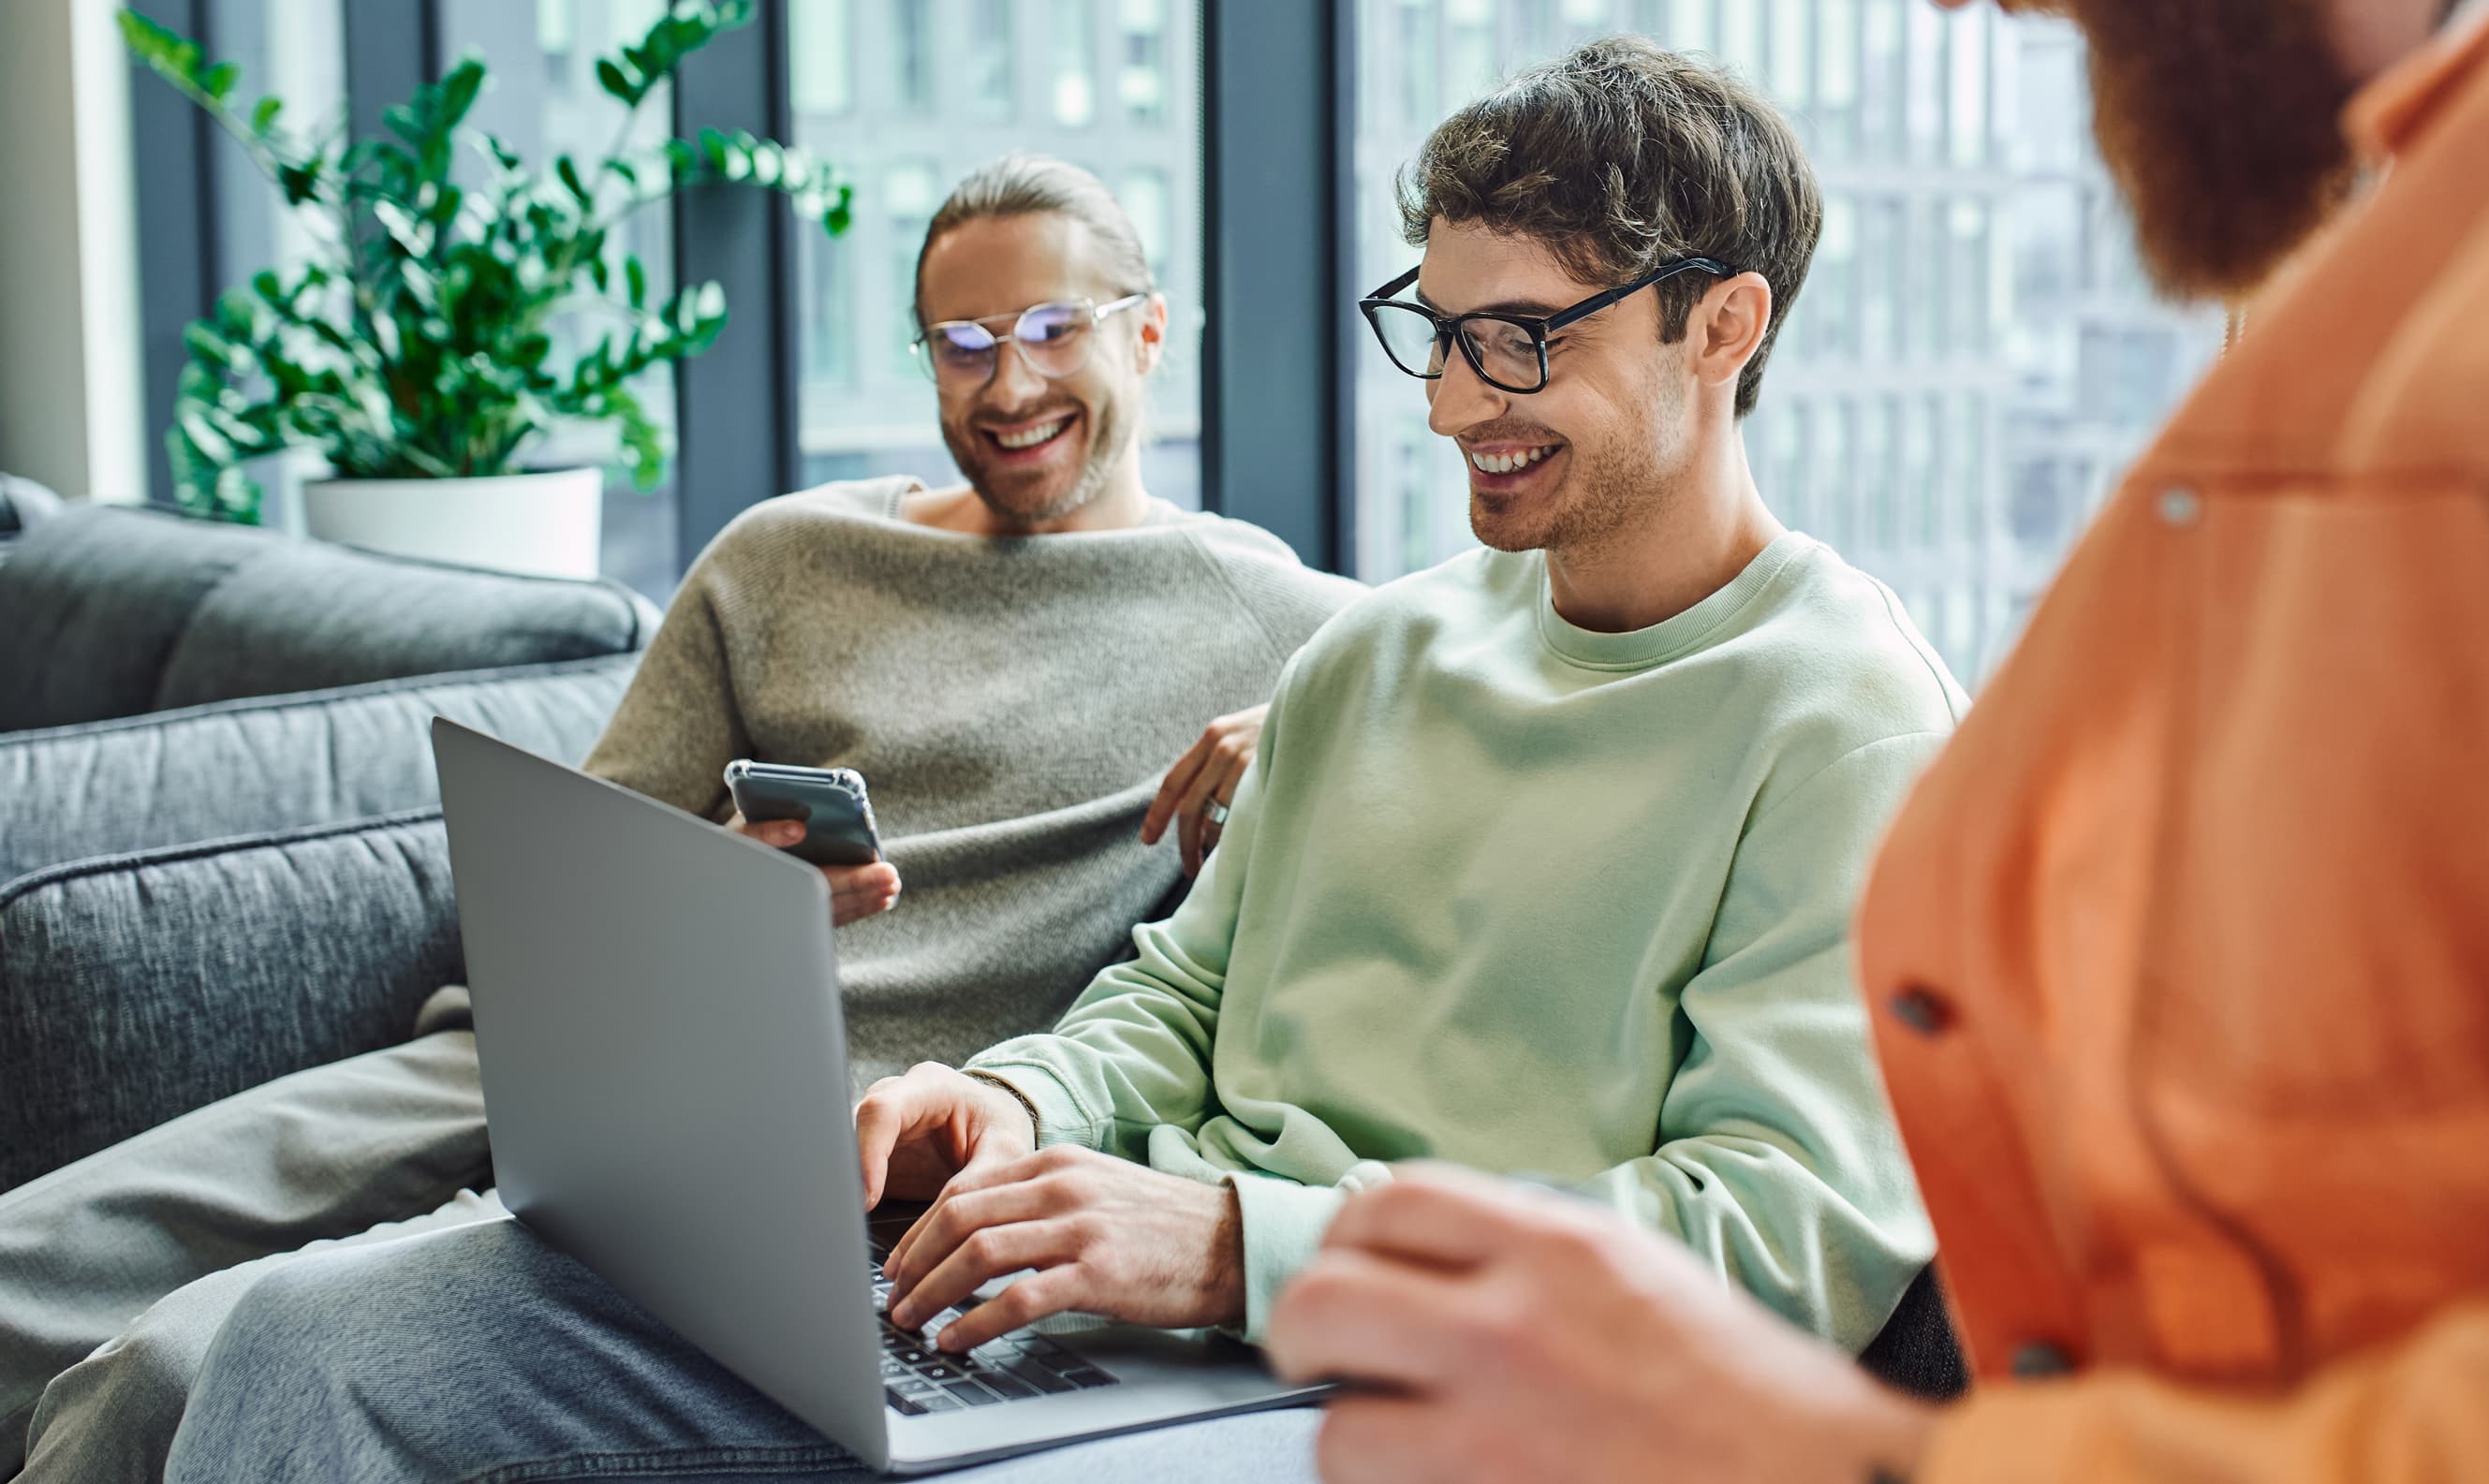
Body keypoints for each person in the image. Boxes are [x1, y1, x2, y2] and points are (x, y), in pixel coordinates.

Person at [162, 37, 1967, 1482]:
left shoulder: (1845, 721)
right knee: (315, 1349)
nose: (1448, 406)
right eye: (1434, 332)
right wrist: (1016, 1104)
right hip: (1102, 1310)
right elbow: (1174, 1000)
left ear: (1718, 326)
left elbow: (1775, 1246)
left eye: (1519, 342)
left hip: (1386, 1390)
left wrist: (1234, 1247)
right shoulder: (1379, 651)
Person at [1243, 0, 2489, 1479]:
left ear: (1723, 330)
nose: (1958, 11)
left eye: (1514, 338)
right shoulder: (2469, 209)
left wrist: (1868, 1458)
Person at [0, 154, 1359, 1484]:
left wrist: (1298, 724)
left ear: (1150, 330)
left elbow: (1509, 631)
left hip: (788, 1142)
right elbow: (555, 881)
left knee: (170, 1373)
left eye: (1055, 329)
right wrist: (709, 890)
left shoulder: (1290, 630)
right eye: (961, 343)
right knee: (29, 1269)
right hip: (536, 1047)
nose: (1007, 385)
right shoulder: (785, 554)